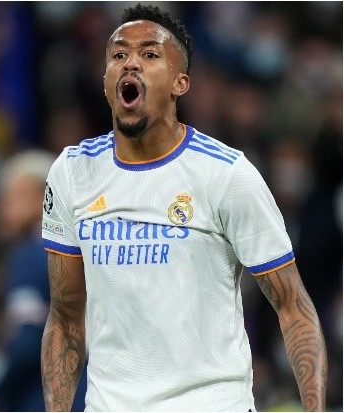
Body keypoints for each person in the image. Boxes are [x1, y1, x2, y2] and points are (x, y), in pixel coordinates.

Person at [40, 4, 327, 411]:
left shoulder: (226, 174)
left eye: (150, 54)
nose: (130, 64)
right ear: (105, 79)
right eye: (118, 55)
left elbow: (293, 307)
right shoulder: (72, 172)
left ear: (180, 83)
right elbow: (66, 318)